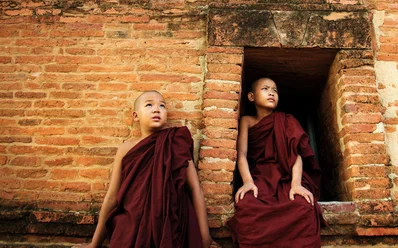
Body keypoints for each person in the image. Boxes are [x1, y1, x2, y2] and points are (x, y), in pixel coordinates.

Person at [72, 90, 213, 248]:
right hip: (133, 225)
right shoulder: (126, 149)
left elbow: (195, 189)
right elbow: (112, 196)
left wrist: (204, 235)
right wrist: (94, 244)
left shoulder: (175, 142)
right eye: (149, 105)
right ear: (135, 116)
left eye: (162, 105)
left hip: (171, 225)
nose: (156, 109)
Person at [227, 77, 326, 248]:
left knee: (304, 207)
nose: (271, 92)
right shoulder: (247, 121)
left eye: (275, 90)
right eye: (265, 89)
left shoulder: (286, 120)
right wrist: (248, 182)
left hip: (286, 177)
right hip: (259, 177)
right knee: (246, 207)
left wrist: (296, 185)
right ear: (251, 96)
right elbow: (241, 154)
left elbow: (296, 155)